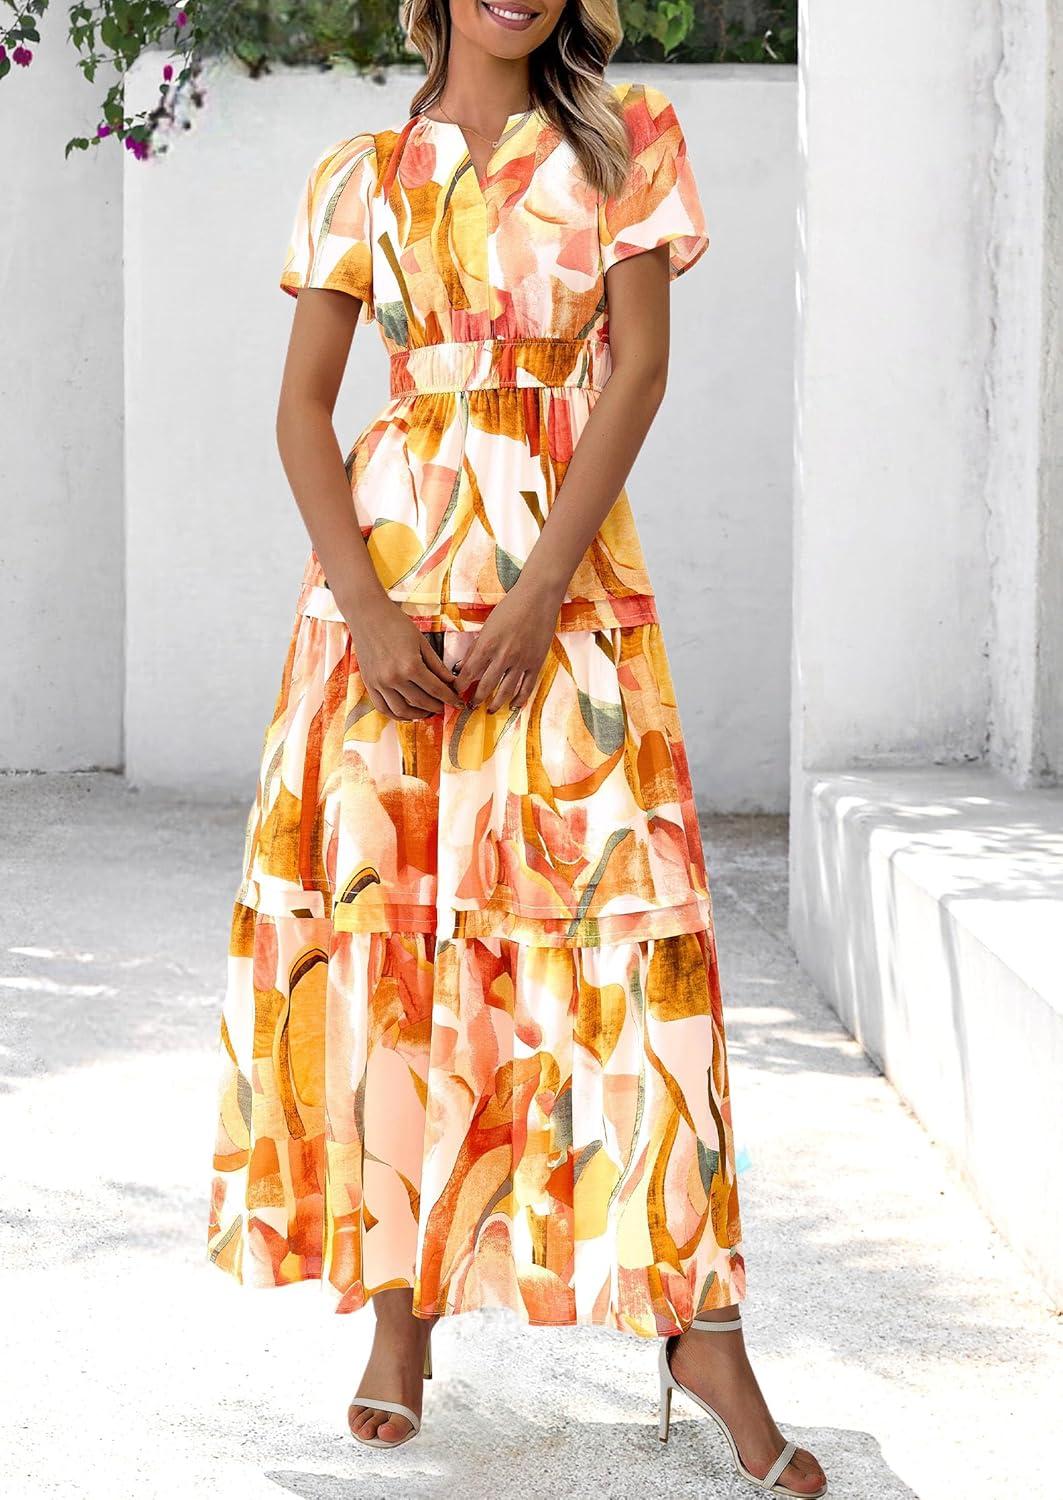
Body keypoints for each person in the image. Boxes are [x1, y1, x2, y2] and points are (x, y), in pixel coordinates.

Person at [207, 1, 827, 1494]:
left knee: (633, 954)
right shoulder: (360, 173)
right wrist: (364, 611)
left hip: (570, 594)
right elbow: (301, 411)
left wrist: (544, 590)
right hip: (388, 606)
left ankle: (702, 1329)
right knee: (395, 944)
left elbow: (639, 371)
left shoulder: (627, 143)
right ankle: (400, 1316)